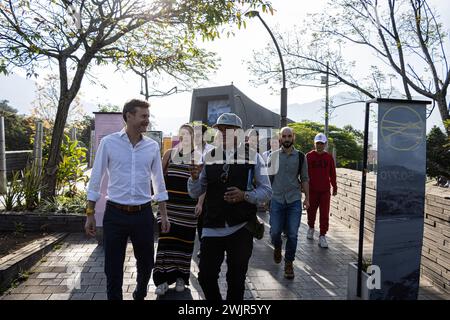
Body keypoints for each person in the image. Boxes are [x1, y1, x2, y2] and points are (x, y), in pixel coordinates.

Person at [84, 99, 170, 300]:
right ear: (129, 116)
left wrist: (163, 214)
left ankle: (140, 292)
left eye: (148, 116)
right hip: (115, 215)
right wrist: (90, 214)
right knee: (112, 267)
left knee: (147, 262)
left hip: (143, 214)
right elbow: (96, 179)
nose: (146, 121)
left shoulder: (151, 146)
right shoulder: (109, 143)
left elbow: (159, 182)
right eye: (143, 116)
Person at [188, 113, 272, 300]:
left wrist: (245, 195)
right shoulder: (208, 157)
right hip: (212, 226)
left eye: (228, 129)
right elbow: (195, 192)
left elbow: (267, 191)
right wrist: (193, 179)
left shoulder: (254, 157)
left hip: (241, 226)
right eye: (220, 129)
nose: (223, 133)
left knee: (236, 279)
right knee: (206, 277)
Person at [152, 124, 199, 296]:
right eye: (182, 134)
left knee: (185, 244)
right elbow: (158, 179)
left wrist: (200, 203)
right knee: (166, 242)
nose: (185, 137)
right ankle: (162, 280)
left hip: (188, 210)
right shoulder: (169, 154)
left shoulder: (198, 157)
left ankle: (181, 278)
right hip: (169, 208)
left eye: (188, 134)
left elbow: (204, 184)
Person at [267, 127, 309, 279]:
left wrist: (307, 199)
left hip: (294, 200)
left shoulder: (301, 157)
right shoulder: (273, 156)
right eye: (284, 136)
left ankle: (289, 263)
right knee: (275, 232)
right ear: (280, 138)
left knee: (292, 234)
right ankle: (277, 246)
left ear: (293, 137)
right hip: (277, 199)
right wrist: (267, 199)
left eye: (289, 136)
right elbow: (268, 180)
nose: (286, 138)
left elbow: (304, 178)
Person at [306, 133, 337, 248]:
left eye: (322, 143)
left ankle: (322, 235)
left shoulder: (329, 157)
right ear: (314, 144)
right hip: (312, 190)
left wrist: (335, 186)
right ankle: (311, 227)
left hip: (324, 191)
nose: (319, 145)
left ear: (325, 144)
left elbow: (332, 173)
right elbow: (304, 173)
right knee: (311, 211)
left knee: (324, 214)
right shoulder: (308, 156)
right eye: (318, 143)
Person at [193, 123, 215, 258]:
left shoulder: (212, 150)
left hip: (207, 192)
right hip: (193, 189)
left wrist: (200, 202)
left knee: (203, 220)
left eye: (199, 135)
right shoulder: (191, 151)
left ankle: (203, 245)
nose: (196, 137)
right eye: (194, 135)